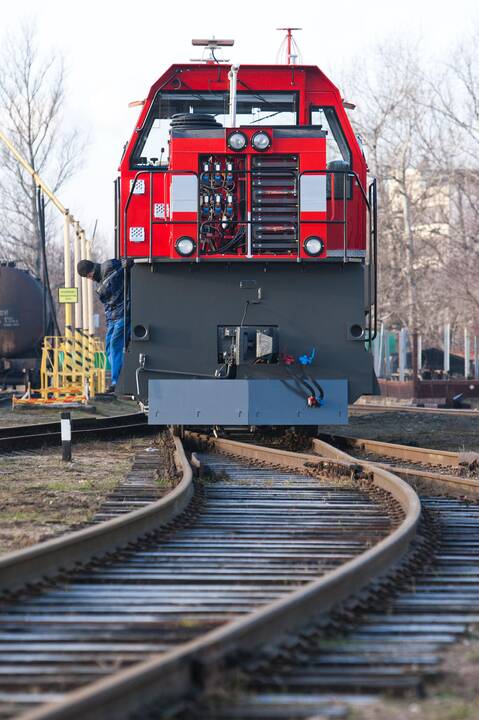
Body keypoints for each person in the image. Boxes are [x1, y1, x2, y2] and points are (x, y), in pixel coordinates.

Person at [77, 259, 131, 393]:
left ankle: (116, 381)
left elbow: (120, 272)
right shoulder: (101, 280)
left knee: (114, 345)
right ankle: (116, 378)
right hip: (113, 317)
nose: (89, 279)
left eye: (88, 276)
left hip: (123, 314)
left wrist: (125, 266)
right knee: (108, 347)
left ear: (91, 272)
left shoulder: (109, 268)